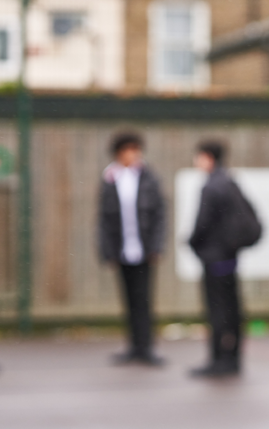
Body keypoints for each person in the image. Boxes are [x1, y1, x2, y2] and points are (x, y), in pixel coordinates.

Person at [189, 141, 256, 377]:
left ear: (207, 157)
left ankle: (218, 360)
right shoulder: (230, 182)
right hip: (230, 257)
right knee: (233, 308)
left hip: (214, 258)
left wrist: (192, 243)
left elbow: (201, 224)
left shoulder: (211, 187)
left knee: (216, 310)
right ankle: (234, 358)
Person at [98, 132, 165, 366]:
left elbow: (159, 215)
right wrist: (108, 251)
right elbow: (104, 219)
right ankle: (133, 346)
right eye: (128, 150)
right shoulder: (110, 178)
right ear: (119, 153)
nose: (133, 154)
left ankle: (147, 347)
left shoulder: (149, 178)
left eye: (136, 149)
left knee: (144, 300)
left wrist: (156, 247)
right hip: (122, 250)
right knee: (128, 300)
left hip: (144, 250)